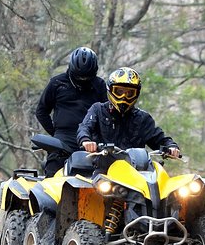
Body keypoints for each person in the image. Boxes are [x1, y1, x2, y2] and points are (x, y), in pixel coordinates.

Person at [76, 67, 180, 164]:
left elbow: (159, 138)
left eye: (130, 93)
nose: (124, 97)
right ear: (110, 90)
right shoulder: (98, 109)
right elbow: (85, 127)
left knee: (159, 179)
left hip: (136, 169)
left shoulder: (143, 118)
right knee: (88, 182)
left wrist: (171, 147)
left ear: (137, 94)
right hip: (103, 167)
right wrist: (86, 140)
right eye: (119, 91)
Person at [35, 47, 108, 177]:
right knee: (53, 170)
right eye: (80, 77)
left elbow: (107, 113)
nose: (83, 80)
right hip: (63, 137)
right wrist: (55, 134)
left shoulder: (100, 85)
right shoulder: (57, 83)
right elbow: (41, 111)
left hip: (91, 140)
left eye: (87, 77)